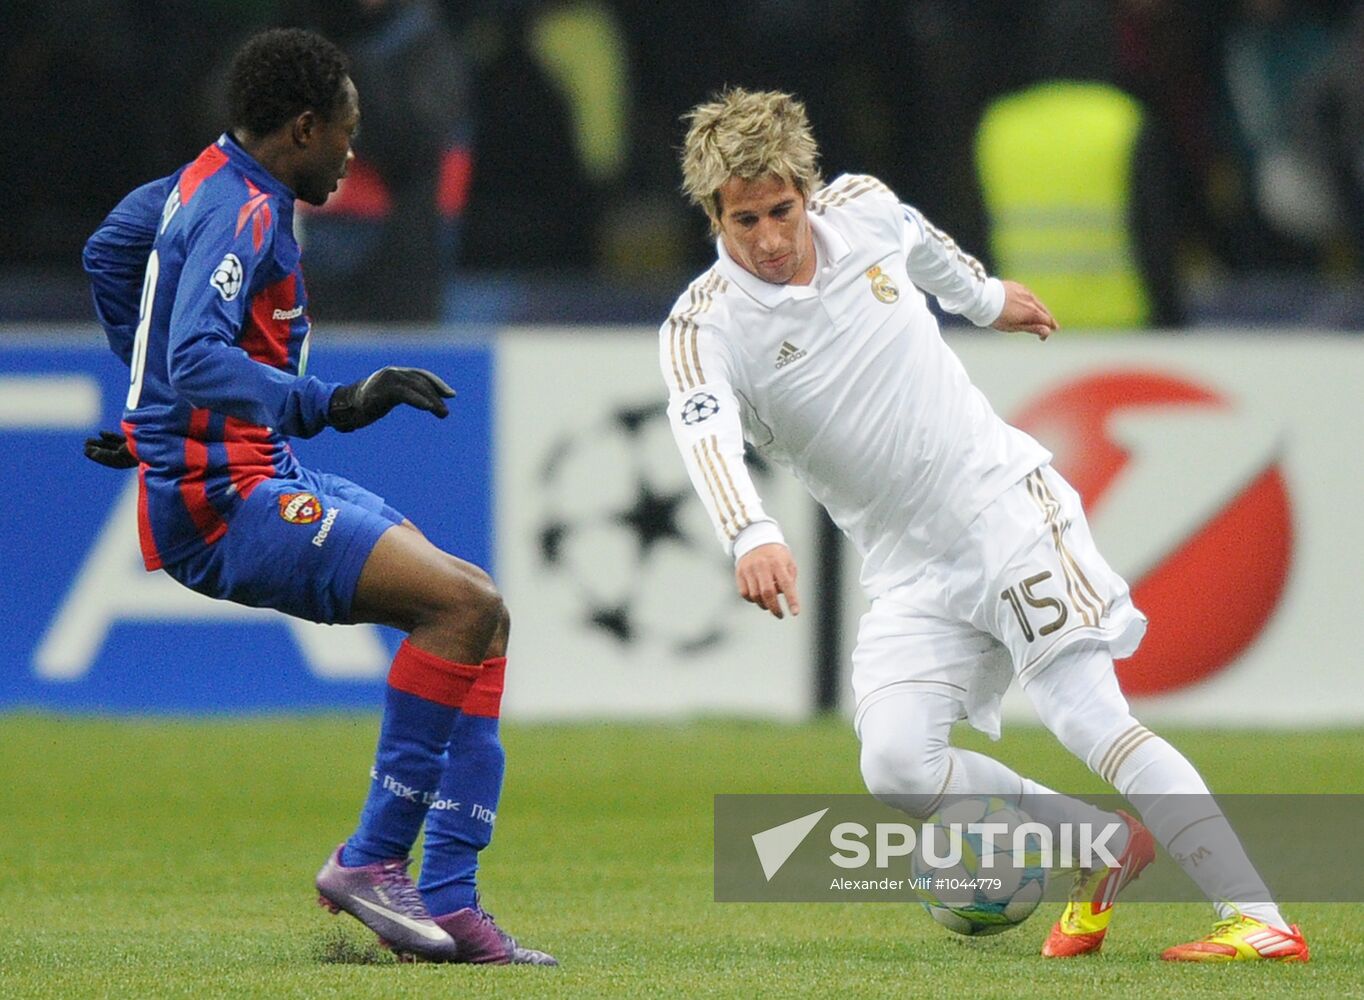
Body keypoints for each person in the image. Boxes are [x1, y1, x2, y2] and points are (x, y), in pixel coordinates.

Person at [662, 87, 1308, 963]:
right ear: (714, 215)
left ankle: (1258, 917)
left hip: (1004, 511)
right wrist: (752, 533)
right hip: (907, 569)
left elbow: (924, 244)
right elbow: (703, 436)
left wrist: (985, 297)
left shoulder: (865, 210)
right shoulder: (702, 328)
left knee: (1088, 720)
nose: (772, 239)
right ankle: (1101, 845)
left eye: (783, 210)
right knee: (895, 765)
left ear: (807, 191)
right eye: (746, 222)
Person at [80, 28, 554, 966]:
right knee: (461, 606)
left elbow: (109, 253)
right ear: (302, 129)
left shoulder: (194, 185)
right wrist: (326, 402)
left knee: (480, 615)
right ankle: (373, 860)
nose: (353, 153)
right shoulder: (245, 212)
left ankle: (451, 902)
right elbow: (197, 353)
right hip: (227, 497)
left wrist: (156, 416)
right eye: (347, 132)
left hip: (250, 471)